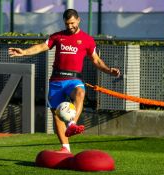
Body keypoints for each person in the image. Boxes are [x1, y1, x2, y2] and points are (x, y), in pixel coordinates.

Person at [8, 9, 120, 153]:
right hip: (56, 80)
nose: (70, 26)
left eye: (72, 23)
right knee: (57, 114)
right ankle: (65, 148)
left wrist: (109, 70)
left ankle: (72, 124)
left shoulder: (87, 39)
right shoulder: (57, 36)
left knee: (80, 92)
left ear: (79, 20)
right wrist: (24, 52)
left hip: (73, 80)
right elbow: (42, 46)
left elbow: (96, 61)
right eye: (67, 24)